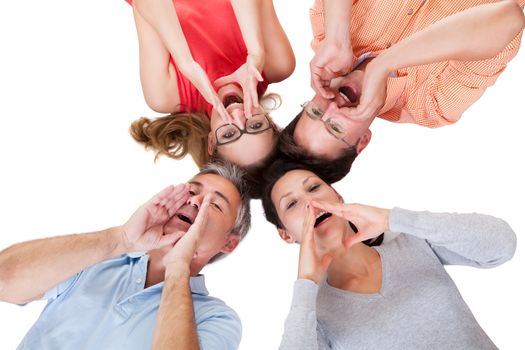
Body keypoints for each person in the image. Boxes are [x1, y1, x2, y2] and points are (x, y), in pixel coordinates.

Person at [261, 159, 516, 349]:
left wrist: (393, 219)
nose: (310, 203)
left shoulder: (412, 241)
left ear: (338, 196)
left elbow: (502, 245)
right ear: (285, 234)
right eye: (291, 203)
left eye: (314, 188)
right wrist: (305, 283)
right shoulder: (315, 316)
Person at [0, 162, 250, 349]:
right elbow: (4, 280)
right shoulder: (96, 259)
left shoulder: (217, 318)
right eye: (192, 191)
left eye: (214, 205)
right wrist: (120, 239)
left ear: (229, 243)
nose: (196, 202)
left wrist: (178, 268)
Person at [279, 0, 525, 184]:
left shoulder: (328, 34)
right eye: (335, 127)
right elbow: (509, 17)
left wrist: (337, 36)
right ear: (362, 142)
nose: (333, 105)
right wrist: (383, 64)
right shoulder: (432, 104)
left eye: (315, 111)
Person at [125, 0, 295, 173]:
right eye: (256, 126)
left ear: (212, 141)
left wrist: (186, 62)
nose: (237, 114)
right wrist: (255, 52)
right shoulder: (277, 64)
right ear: (272, 123)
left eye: (229, 134)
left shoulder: (164, 95)